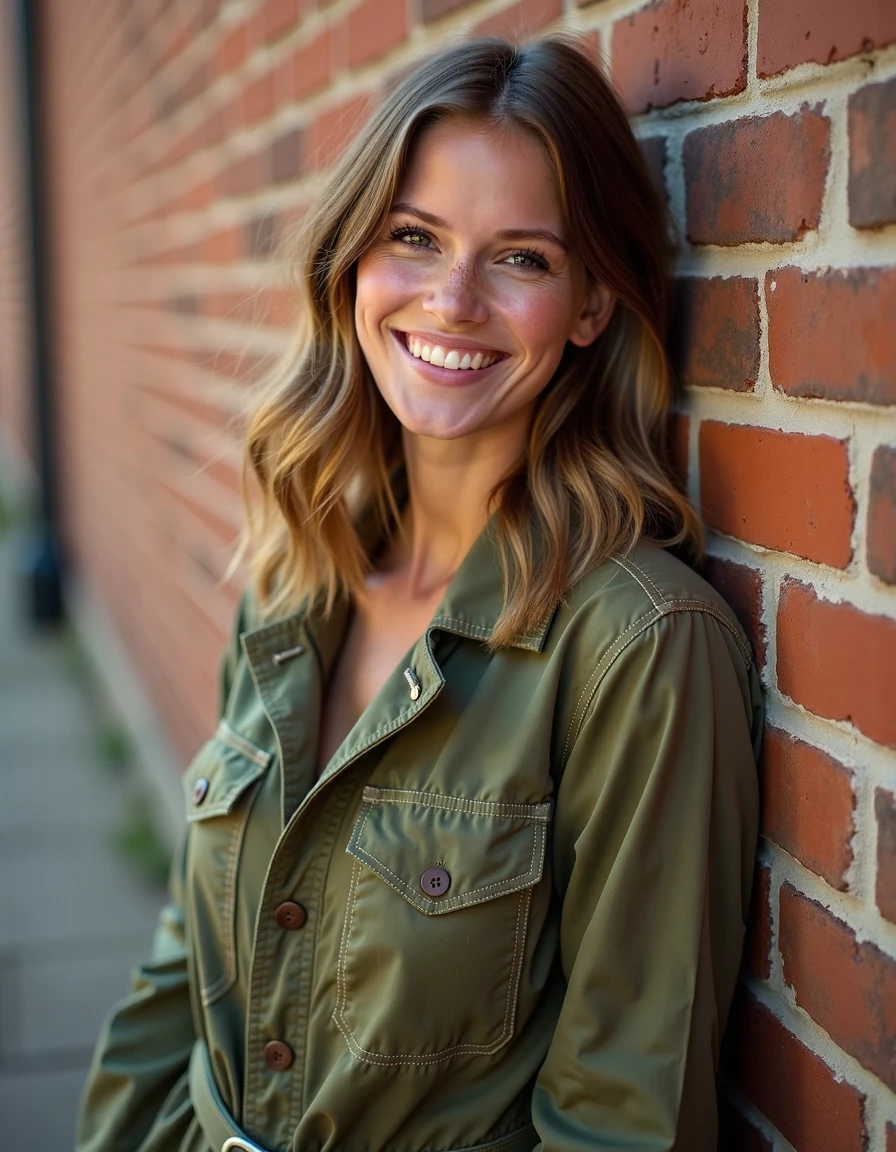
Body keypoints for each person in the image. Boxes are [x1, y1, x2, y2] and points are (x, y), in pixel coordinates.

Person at [76, 35, 762, 1152]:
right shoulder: (300, 577)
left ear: (590, 306)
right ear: (353, 261)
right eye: (413, 237)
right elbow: (180, 972)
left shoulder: (638, 647)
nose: (450, 301)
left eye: (521, 259)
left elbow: (620, 1120)